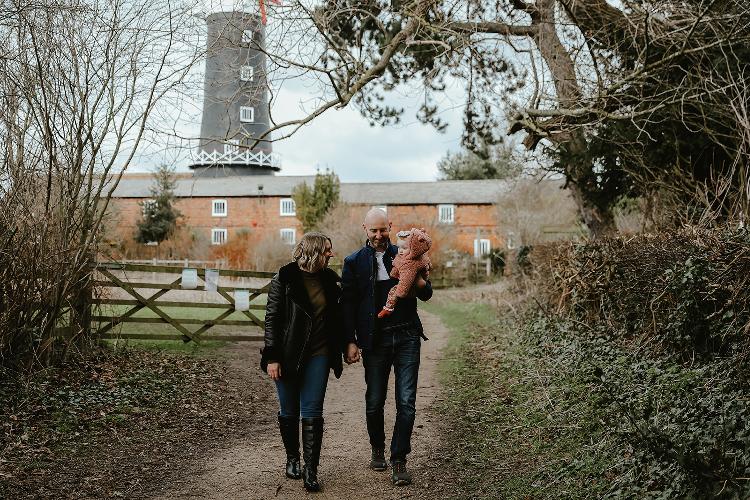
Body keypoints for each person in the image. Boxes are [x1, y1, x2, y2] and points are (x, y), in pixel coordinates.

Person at [342, 208, 433, 487]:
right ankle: (377, 449)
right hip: (375, 340)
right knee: (375, 401)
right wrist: (350, 340)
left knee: (406, 402)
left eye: (383, 230)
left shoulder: (407, 253)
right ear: (365, 230)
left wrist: (417, 277)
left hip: (406, 336)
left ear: (390, 227)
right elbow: (347, 304)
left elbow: (427, 293)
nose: (379, 235)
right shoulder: (354, 262)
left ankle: (399, 460)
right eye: (374, 231)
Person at [261, 231, 345, 493]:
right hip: (287, 356)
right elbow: (272, 319)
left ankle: (311, 471)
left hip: (318, 354)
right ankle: (292, 459)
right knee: (289, 410)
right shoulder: (285, 277)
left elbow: (338, 320)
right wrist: (272, 357)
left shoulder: (330, 280)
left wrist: (347, 345)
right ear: (315, 252)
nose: (332, 254)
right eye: (327, 250)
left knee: (313, 410)